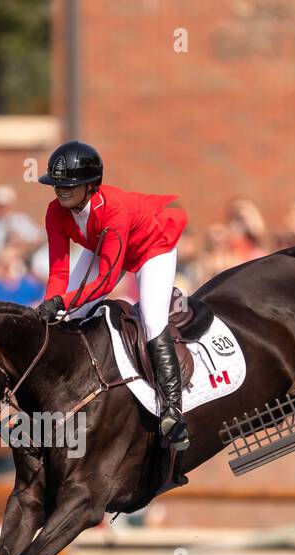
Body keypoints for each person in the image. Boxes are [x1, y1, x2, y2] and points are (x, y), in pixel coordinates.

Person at [35, 140, 190, 449]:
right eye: (57, 184)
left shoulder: (114, 207)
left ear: (91, 186)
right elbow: (59, 272)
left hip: (150, 249)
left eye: (70, 185)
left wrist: (59, 301)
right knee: (67, 317)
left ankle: (173, 411)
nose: (61, 191)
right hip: (103, 248)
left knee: (152, 319)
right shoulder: (55, 212)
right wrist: (52, 304)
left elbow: (106, 280)